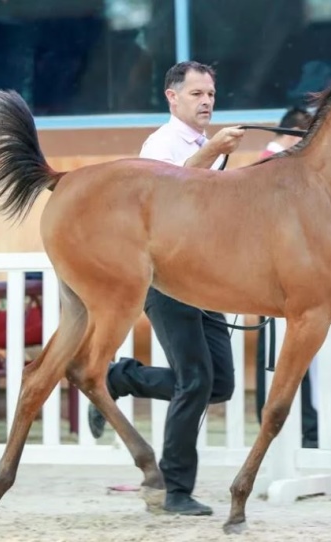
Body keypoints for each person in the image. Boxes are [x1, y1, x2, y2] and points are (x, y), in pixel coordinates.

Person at [87, 60, 246, 516]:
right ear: (172, 98)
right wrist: (214, 150)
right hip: (167, 277)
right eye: (197, 94)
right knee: (196, 380)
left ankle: (120, 377)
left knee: (220, 385)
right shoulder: (160, 144)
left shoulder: (203, 145)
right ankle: (174, 490)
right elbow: (169, 191)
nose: (207, 102)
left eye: (211, 94)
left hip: (206, 277)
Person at [253, 106, 331, 450]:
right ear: (298, 130)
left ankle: (305, 426)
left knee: (292, 354)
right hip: (275, 269)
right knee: (280, 355)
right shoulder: (273, 163)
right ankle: (300, 428)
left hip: (290, 267)